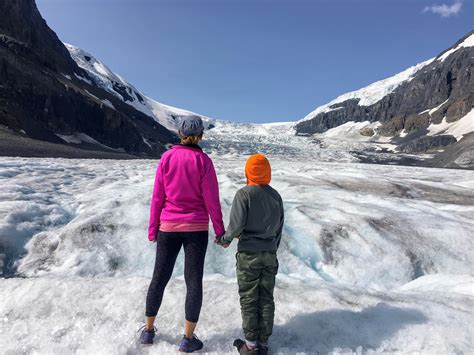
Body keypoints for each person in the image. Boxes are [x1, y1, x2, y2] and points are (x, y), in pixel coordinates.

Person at [140, 115, 225, 353]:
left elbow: (158, 196)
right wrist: (219, 231)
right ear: (200, 135)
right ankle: (187, 339)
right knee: (193, 281)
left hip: (168, 227)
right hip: (196, 229)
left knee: (159, 277)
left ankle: (148, 331)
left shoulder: (167, 158)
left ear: (179, 133)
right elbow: (212, 200)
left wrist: (152, 229)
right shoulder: (204, 162)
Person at [216, 153, 284, 355]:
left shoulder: (244, 194)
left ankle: (250, 345)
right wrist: (272, 247)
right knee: (266, 297)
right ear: (267, 171)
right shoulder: (276, 196)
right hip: (269, 253)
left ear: (248, 171)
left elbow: (236, 226)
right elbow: (279, 227)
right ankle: (263, 343)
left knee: (249, 298)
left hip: (248, 255)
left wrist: (225, 240)